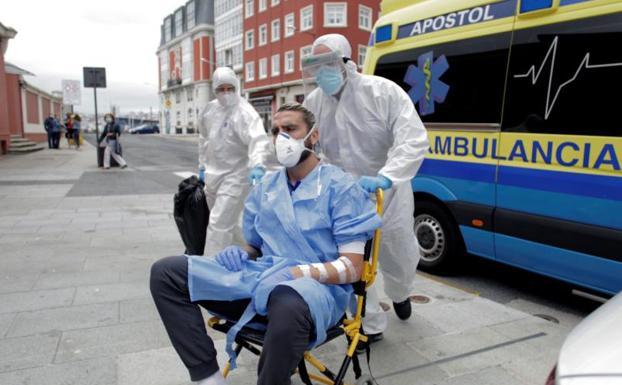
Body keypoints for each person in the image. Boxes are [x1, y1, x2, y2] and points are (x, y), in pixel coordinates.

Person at [151, 103, 381, 385]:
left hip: (315, 291)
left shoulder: (342, 188)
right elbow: (255, 247)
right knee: (166, 272)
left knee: (287, 300)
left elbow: (352, 268)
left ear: (313, 136)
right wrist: (241, 253)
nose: (281, 137)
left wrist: (299, 274)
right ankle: (208, 378)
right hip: (261, 277)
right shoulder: (266, 188)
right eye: (275, 131)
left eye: (290, 129)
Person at [302, 34, 429, 343]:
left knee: (398, 254)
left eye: (328, 64)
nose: (322, 73)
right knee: (353, 261)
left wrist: (387, 176)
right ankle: (367, 326)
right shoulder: (314, 102)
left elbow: (412, 138)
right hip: (344, 196)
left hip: (388, 191)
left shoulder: (383, 92)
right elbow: (304, 144)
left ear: (348, 62)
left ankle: (400, 292)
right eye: (316, 67)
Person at [198, 67, 272, 257]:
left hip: (236, 176)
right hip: (213, 176)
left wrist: (258, 164)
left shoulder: (244, 111)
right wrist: (202, 166)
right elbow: (204, 139)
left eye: (229, 88)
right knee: (225, 223)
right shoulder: (210, 110)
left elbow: (258, 139)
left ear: (236, 87)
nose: (225, 93)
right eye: (220, 89)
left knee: (218, 223)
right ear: (214, 89)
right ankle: (248, 254)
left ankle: (210, 269)